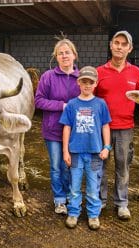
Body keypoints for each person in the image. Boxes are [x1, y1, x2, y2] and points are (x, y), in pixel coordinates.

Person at [94, 30, 139, 220]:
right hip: (102, 128)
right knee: (99, 164)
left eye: (124, 44)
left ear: (129, 49)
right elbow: (91, 98)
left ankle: (122, 203)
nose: (120, 47)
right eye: (117, 43)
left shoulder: (136, 72)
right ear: (111, 45)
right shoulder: (100, 72)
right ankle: (100, 200)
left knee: (123, 166)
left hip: (125, 127)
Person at [60, 66, 111, 230]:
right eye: (84, 82)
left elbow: (105, 126)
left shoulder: (101, 104)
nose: (87, 85)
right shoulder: (72, 105)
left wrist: (107, 147)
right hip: (75, 153)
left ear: (96, 83)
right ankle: (73, 213)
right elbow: (66, 127)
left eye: (91, 82)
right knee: (74, 187)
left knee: (92, 187)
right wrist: (65, 151)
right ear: (78, 83)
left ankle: (93, 215)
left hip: (95, 153)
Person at [35, 37, 80, 214]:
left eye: (67, 52)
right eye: (60, 53)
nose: (64, 56)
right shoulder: (48, 77)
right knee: (56, 166)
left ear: (74, 55)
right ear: (56, 57)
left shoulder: (81, 77)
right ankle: (59, 199)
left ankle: (70, 195)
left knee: (68, 165)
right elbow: (38, 101)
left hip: (75, 131)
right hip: (53, 130)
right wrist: (62, 106)